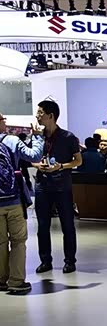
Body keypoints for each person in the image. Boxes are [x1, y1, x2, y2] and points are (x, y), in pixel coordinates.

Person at [32, 100, 82, 274]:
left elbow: (78, 161)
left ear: (51, 115)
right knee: (42, 226)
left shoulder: (68, 137)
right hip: (42, 185)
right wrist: (38, 165)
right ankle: (45, 261)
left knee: (67, 225)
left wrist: (60, 166)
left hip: (62, 186)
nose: (37, 116)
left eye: (40, 112)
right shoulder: (37, 137)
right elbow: (30, 158)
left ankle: (70, 261)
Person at [0, 113, 44, 294]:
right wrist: (38, 137)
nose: (5, 122)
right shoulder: (11, 140)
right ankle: (16, 282)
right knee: (18, 241)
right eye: (3, 120)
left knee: (0, 242)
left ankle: (1, 279)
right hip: (13, 199)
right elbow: (35, 155)